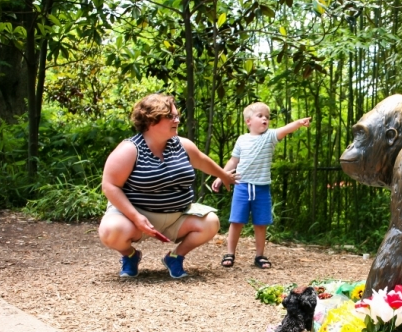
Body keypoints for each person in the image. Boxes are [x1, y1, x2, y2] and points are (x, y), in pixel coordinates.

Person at [98, 94, 237, 279]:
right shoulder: (130, 150)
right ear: (151, 120)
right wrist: (136, 217)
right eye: (171, 116)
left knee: (211, 222)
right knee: (110, 231)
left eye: (177, 115)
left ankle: (175, 257)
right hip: (135, 217)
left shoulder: (182, 145)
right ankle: (129, 255)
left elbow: (202, 161)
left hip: (176, 217)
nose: (177, 120)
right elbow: (109, 186)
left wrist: (223, 175)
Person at [212, 102, 311, 269]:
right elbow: (234, 161)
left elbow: (285, 129)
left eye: (267, 116)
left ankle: (259, 255)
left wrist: (299, 123)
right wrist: (221, 176)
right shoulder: (242, 140)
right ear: (249, 121)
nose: (265, 118)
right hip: (242, 186)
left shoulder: (270, 136)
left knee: (261, 223)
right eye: (260, 116)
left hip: (262, 188)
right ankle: (230, 253)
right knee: (236, 221)